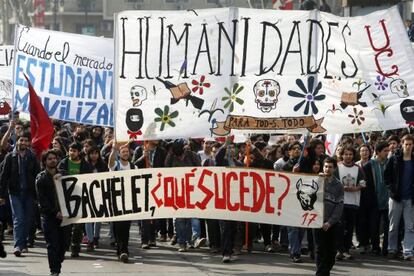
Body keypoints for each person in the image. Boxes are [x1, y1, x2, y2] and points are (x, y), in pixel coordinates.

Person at [0, 131, 40, 257]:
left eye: (25, 140)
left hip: (29, 193)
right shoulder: (10, 157)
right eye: (21, 140)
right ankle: (18, 245)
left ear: (29, 142)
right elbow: (3, 177)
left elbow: (37, 176)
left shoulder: (32, 157)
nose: (23, 143)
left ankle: (25, 242)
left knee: (28, 219)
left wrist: (37, 196)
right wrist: (1, 195)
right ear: (17, 141)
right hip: (14, 193)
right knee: (18, 219)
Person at [36, 150, 71, 276]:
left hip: (65, 216)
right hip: (49, 216)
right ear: (45, 161)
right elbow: (42, 200)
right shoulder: (41, 179)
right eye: (49, 159)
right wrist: (54, 212)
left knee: (64, 244)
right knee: (52, 244)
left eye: (54, 158)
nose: (53, 161)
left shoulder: (64, 175)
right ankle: (54, 271)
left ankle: (57, 262)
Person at [57, 142, 93, 258]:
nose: (72, 153)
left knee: (78, 225)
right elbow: (60, 174)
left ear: (79, 152)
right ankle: (65, 244)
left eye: (74, 151)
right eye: (70, 150)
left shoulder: (85, 165)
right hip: (66, 198)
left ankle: (75, 247)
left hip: (80, 199)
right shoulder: (64, 163)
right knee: (67, 224)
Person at [384, 134, 414, 260]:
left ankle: (408, 251)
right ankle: (392, 249)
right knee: (393, 226)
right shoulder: (395, 158)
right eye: (406, 144)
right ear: (402, 144)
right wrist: (392, 189)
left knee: (410, 227)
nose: (408, 146)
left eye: (410, 144)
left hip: (410, 199)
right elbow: (386, 176)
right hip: (396, 198)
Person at [313, 157, 344, 276]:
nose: (327, 169)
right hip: (317, 221)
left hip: (332, 224)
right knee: (320, 250)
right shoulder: (317, 181)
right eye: (326, 166)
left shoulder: (338, 185)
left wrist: (330, 222)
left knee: (331, 252)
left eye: (330, 167)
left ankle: (323, 272)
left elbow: (339, 206)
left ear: (334, 168)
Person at [334, 146, 365, 261]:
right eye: (346, 154)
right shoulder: (337, 167)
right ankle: (339, 249)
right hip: (339, 202)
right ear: (342, 155)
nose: (348, 156)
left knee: (350, 226)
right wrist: (342, 187)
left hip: (353, 202)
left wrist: (356, 188)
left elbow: (363, 183)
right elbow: (333, 182)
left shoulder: (358, 168)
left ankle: (346, 250)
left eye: (350, 154)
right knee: (339, 226)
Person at [108, 140, 135, 263]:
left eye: (126, 151)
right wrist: (113, 149)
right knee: (118, 227)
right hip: (116, 201)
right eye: (122, 151)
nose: (125, 153)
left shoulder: (134, 167)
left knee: (126, 227)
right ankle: (121, 249)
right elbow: (110, 162)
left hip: (129, 200)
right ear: (119, 154)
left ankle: (124, 250)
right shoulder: (115, 165)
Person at [362, 141, 390, 256]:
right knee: (374, 225)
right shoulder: (369, 165)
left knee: (388, 226)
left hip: (388, 200)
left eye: (388, 151)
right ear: (378, 152)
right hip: (374, 201)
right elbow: (365, 184)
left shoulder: (390, 163)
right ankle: (375, 247)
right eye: (385, 151)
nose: (387, 153)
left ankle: (386, 248)